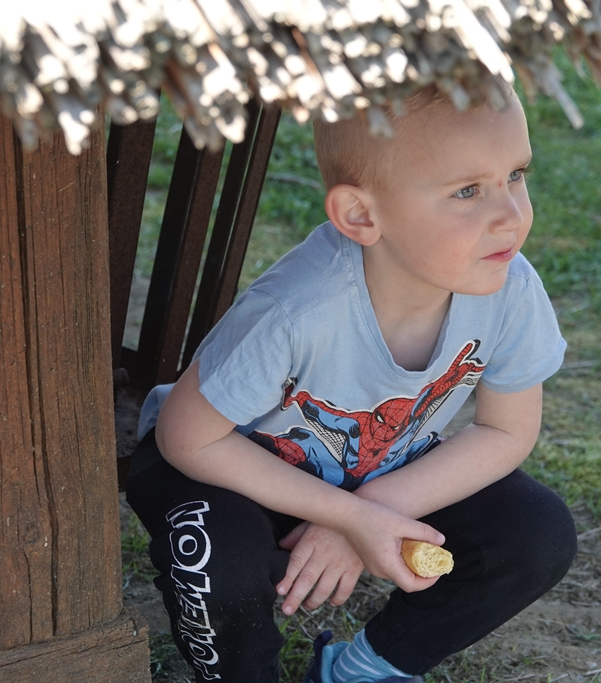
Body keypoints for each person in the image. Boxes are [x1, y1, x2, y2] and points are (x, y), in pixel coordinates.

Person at [125, 84, 578, 683]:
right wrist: (348, 517)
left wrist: (368, 514)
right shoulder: (297, 311)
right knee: (216, 560)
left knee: (535, 533)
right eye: (467, 191)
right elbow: (186, 439)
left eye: (515, 175)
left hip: (374, 478)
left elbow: (505, 431)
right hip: (227, 471)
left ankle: (364, 669)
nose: (511, 216)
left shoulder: (509, 288)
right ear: (362, 215)